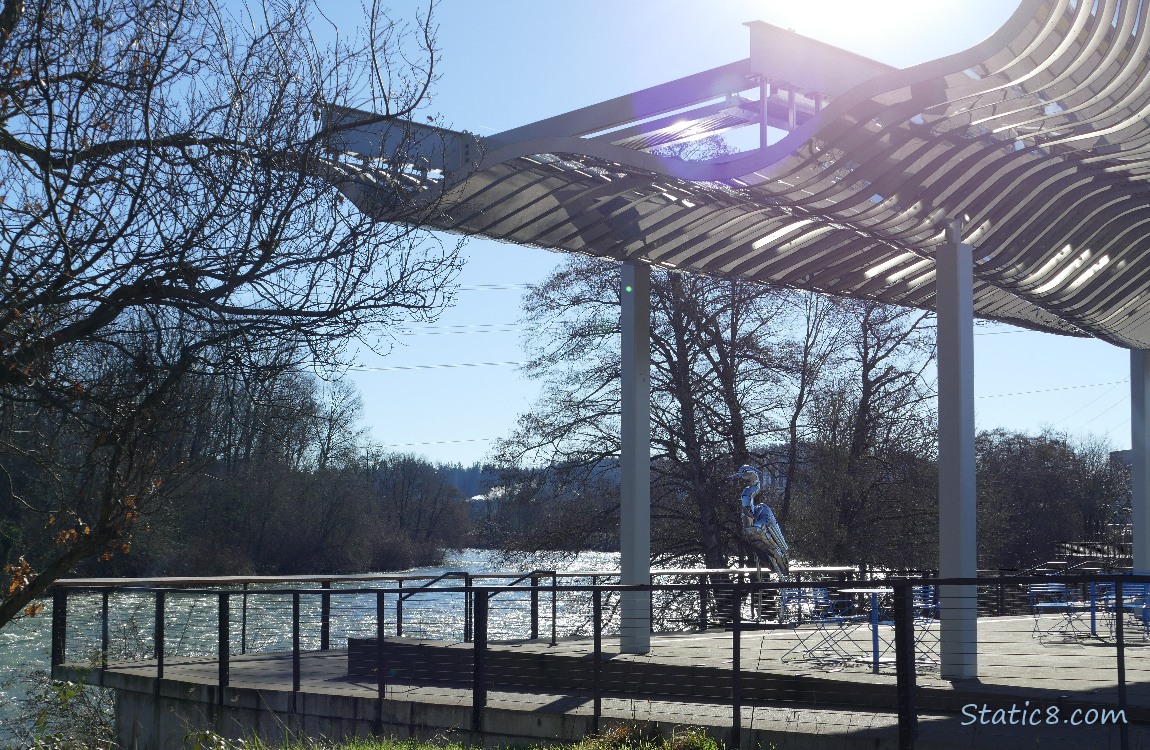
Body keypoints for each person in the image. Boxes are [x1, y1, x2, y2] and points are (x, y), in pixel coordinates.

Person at [729, 465, 789, 577]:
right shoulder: (751, 507)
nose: (741, 477)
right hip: (763, 550)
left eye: (745, 473)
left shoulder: (762, 512)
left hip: (776, 552)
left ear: (752, 475)